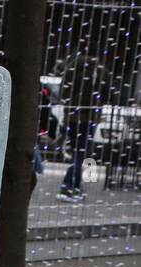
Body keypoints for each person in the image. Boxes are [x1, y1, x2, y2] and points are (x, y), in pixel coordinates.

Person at [58, 47, 106, 203]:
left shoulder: (72, 68)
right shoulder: (98, 72)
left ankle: (74, 186)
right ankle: (69, 185)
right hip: (88, 118)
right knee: (82, 154)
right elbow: (106, 93)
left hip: (72, 117)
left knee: (78, 153)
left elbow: (63, 92)